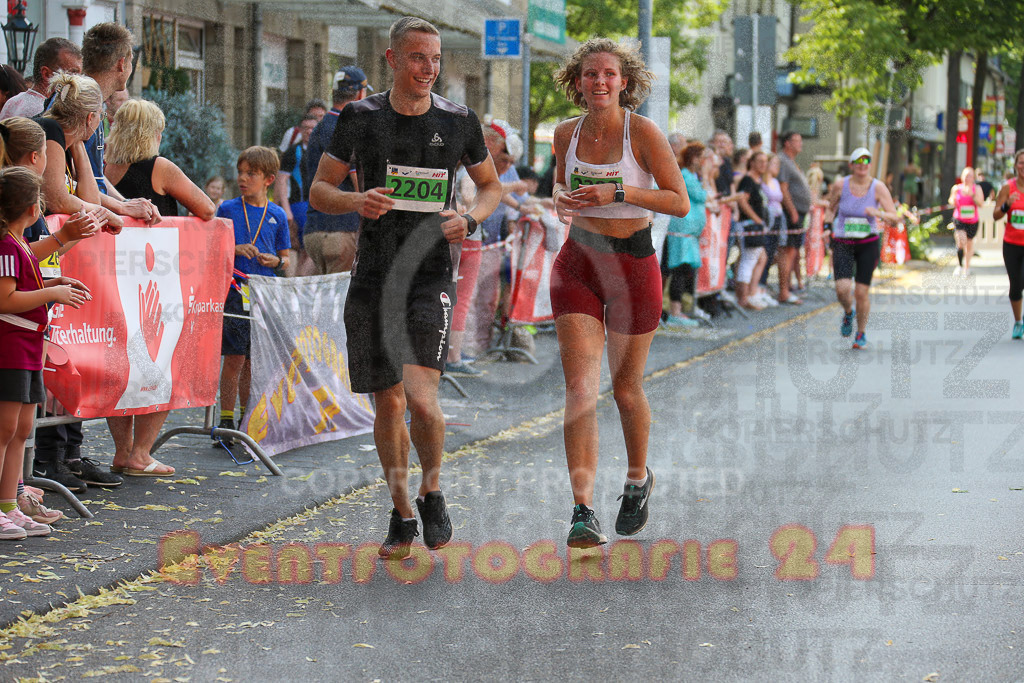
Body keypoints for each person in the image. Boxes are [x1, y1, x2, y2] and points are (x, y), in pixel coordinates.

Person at [308, 16, 501, 560]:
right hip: (374, 274)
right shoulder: (359, 117)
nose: (429, 69)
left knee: (420, 394)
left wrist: (472, 218)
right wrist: (356, 200)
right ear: (392, 60)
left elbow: (490, 187)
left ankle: (432, 489)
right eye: (418, 58)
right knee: (388, 402)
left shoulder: (459, 120)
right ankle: (401, 511)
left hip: (430, 271)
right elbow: (321, 190)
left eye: (435, 59)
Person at [550, 37, 689, 548]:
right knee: (580, 389)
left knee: (625, 389)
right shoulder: (564, 134)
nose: (600, 82)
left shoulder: (643, 131)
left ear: (624, 82)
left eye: (609, 74)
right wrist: (563, 201)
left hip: (633, 263)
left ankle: (636, 482)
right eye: (590, 75)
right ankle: (582, 510)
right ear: (578, 82)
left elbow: (680, 201)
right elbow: (557, 191)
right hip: (579, 261)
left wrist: (620, 193)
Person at [0, 117, 99, 521]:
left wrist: (52, 278)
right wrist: (52, 292)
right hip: (12, 347)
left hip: (28, 348)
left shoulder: (18, 243)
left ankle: (9, 503)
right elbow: (6, 298)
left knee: (20, 430)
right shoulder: (7, 244)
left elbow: (25, 274)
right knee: (6, 431)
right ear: (30, 207)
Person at [217, 147, 290, 440]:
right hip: (236, 291)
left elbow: (285, 258)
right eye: (241, 172)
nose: (243, 179)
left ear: (269, 179)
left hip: (264, 294)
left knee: (252, 359)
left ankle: (248, 418)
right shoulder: (228, 209)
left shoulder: (277, 214)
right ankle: (225, 420)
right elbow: (213, 248)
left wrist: (277, 262)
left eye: (251, 174)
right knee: (234, 357)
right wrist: (233, 249)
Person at [78, 22, 161, 226]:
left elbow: (94, 176)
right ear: (122, 64)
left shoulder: (92, 101)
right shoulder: (81, 103)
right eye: (133, 63)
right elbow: (69, 182)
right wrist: (121, 207)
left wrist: (124, 201)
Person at [826, 147, 900, 349]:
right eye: (858, 161)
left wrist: (878, 212)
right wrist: (826, 227)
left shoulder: (878, 187)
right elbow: (830, 209)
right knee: (842, 290)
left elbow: (895, 217)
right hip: (843, 241)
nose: (862, 165)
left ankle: (861, 333)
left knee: (861, 291)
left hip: (867, 243)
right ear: (851, 165)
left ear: (869, 165)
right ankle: (848, 312)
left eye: (866, 161)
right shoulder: (841, 185)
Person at [301, 67, 371, 275]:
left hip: (314, 230)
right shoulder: (348, 126)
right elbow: (358, 178)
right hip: (342, 229)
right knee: (341, 302)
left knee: (319, 302)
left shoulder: (319, 127)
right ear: (360, 94)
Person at [105, 99, 217, 221]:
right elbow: (208, 210)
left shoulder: (107, 169)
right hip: (157, 238)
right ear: (152, 135)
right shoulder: (160, 167)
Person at [663, 142, 707, 327]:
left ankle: (676, 310)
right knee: (679, 271)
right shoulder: (687, 176)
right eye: (704, 158)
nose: (706, 162)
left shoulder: (690, 175)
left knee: (682, 271)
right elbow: (702, 196)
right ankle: (674, 312)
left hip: (687, 234)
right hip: (681, 233)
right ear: (695, 158)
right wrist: (708, 176)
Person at [275, 114, 317, 275]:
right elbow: (281, 180)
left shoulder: (324, 149)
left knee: (310, 250)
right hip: (299, 205)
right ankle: (296, 284)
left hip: (317, 206)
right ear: (300, 130)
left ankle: (300, 284)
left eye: (313, 128)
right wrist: (286, 209)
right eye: (306, 128)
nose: (309, 131)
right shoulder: (294, 151)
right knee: (300, 247)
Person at [0, 39, 81, 120]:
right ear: (47, 74)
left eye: (81, 74)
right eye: (73, 73)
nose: (80, 79)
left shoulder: (12, 102)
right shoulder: (45, 111)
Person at [777, 131, 812, 304]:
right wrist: (792, 211)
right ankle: (783, 290)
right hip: (792, 213)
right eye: (796, 141)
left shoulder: (792, 162)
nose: (800, 144)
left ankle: (788, 287)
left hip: (799, 212)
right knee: (788, 251)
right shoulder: (783, 161)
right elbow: (783, 188)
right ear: (787, 143)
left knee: (794, 252)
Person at [992, 149, 1024, 339]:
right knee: (1015, 284)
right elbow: (996, 215)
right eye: (1021, 163)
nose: (1023, 167)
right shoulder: (1007, 188)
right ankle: (1018, 322)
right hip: (1011, 244)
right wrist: (1007, 205)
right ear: (1015, 165)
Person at [734, 151, 770, 310]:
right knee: (748, 260)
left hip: (756, 226)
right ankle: (743, 298)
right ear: (752, 162)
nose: (764, 164)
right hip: (749, 225)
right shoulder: (747, 180)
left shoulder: (758, 180)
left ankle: (750, 293)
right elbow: (742, 200)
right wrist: (756, 219)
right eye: (760, 161)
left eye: (765, 161)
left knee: (761, 258)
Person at [758, 153, 784, 306]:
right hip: (768, 219)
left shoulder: (775, 181)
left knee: (773, 252)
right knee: (765, 252)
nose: (776, 167)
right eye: (773, 163)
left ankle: (764, 286)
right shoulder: (763, 181)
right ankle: (759, 286)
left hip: (778, 219)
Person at [948, 166, 983, 277]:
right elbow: (951, 201)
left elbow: (981, 204)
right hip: (959, 219)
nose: (968, 178)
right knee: (960, 240)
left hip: (972, 221)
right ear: (962, 177)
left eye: (970, 176)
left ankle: (966, 268)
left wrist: (972, 195)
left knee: (969, 244)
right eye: (966, 175)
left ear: (973, 177)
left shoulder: (976, 189)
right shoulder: (956, 188)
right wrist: (953, 199)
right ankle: (959, 265)